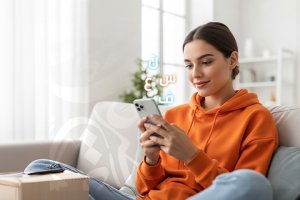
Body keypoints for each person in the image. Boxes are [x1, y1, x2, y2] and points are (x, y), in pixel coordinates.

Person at [24, 22, 278, 200]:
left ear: (232, 60)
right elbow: (144, 188)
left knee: (252, 184)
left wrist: (191, 155)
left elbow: (244, 191)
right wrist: (151, 158)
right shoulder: (175, 116)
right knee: (42, 167)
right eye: (189, 65)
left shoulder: (256, 118)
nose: (195, 74)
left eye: (206, 62)